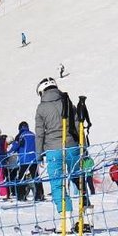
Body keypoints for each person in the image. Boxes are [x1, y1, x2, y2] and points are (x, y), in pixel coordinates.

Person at [35, 77, 79, 214]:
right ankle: (87, 216)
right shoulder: (67, 101)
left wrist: (39, 154)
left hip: (53, 149)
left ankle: (66, 219)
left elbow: (40, 133)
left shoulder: (41, 107)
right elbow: (77, 124)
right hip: (72, 146)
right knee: (79, 180)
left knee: (57, 184)